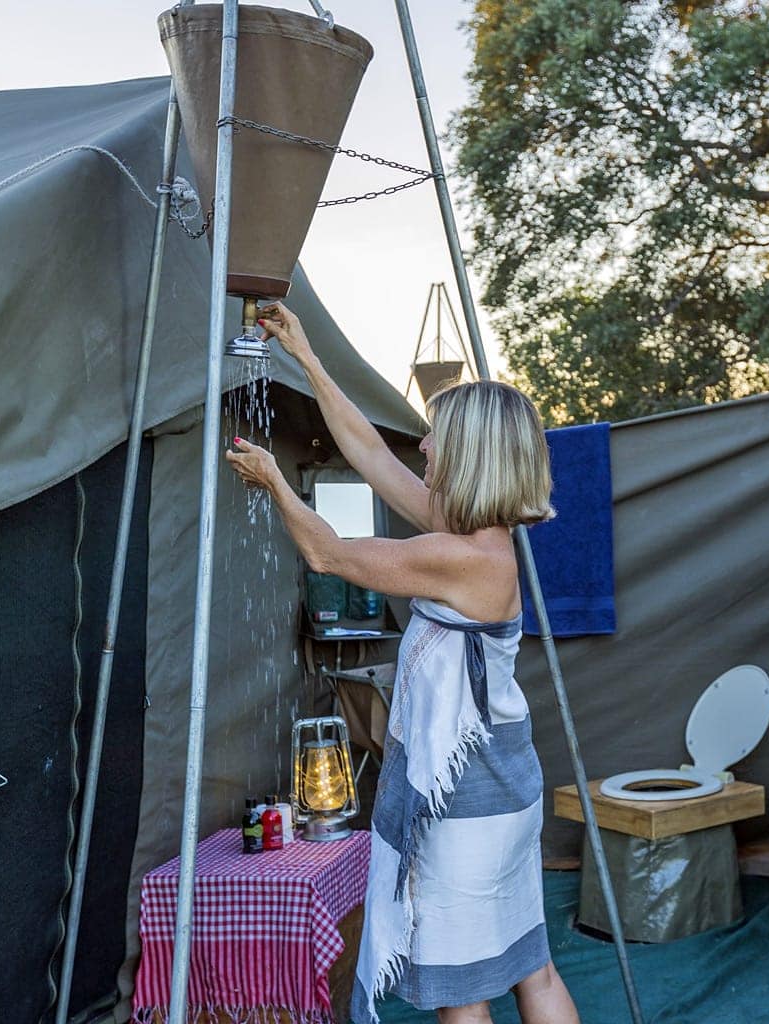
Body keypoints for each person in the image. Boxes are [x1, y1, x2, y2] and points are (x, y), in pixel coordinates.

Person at [226, 302, 579, 1024]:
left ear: (472, 455)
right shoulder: (476, 537)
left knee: (459, 988)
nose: (422, 446)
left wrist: (275, 483)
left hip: (468, 801)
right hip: (499, 782)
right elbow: (374, 457)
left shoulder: (457, 556)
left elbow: (329, 554)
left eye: (438, 438)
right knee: (529, 964)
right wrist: (307, 355)